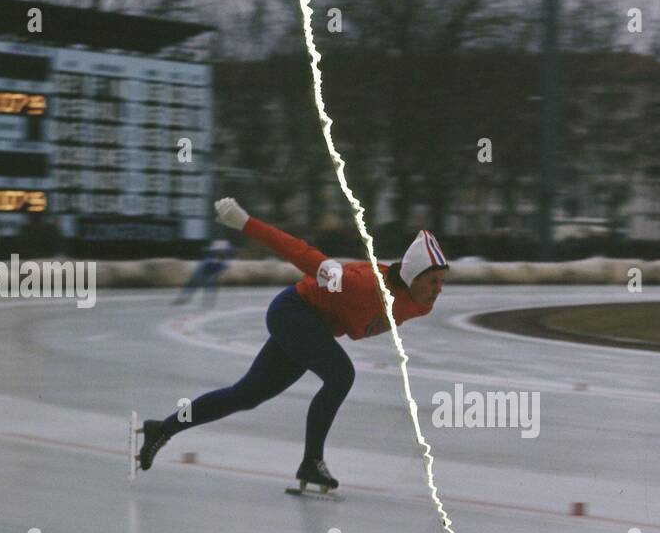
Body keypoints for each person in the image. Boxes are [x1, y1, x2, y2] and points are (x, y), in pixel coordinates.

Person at [137, 198, 448, 491]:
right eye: (433, 281)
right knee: (341, 375)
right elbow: (302, 253)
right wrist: (245, 223)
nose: (439, 289)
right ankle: (312, 461)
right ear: (413, 276)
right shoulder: (363, 285)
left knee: (245, 395)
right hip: (293, 312)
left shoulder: (421, 304)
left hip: (314, 328)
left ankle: (161, 429)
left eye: (442, 281)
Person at [175, 236, 235, 308]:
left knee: (209, 283)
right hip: (208, 265)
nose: (219, 253)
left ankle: (207, 300)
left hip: (213, 265)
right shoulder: (212, 257)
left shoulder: (224, 259)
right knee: (195, 282)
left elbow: (221, 265)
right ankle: (185, 298)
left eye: (220, 252)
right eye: (218, 252)